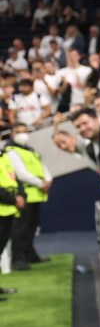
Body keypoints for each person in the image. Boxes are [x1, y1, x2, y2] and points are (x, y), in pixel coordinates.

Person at [4, 123, 53, 270]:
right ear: (12, 134)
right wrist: (40, 183)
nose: (22, 134)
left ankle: (30, 254)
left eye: (25, 131)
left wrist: (48, 180)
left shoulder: (30, 150)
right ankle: (18, 259)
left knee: (32, 227)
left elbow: (42, 166)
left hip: (37, 194)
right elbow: (21, 173)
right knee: (20, 228)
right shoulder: (11, 151)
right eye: (18, 132)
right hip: (24, 193)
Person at [0, 151, 25, 299]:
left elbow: (16, 179)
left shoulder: (4, 156)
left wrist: (21, 195)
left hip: (8, 211)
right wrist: (13, 199)